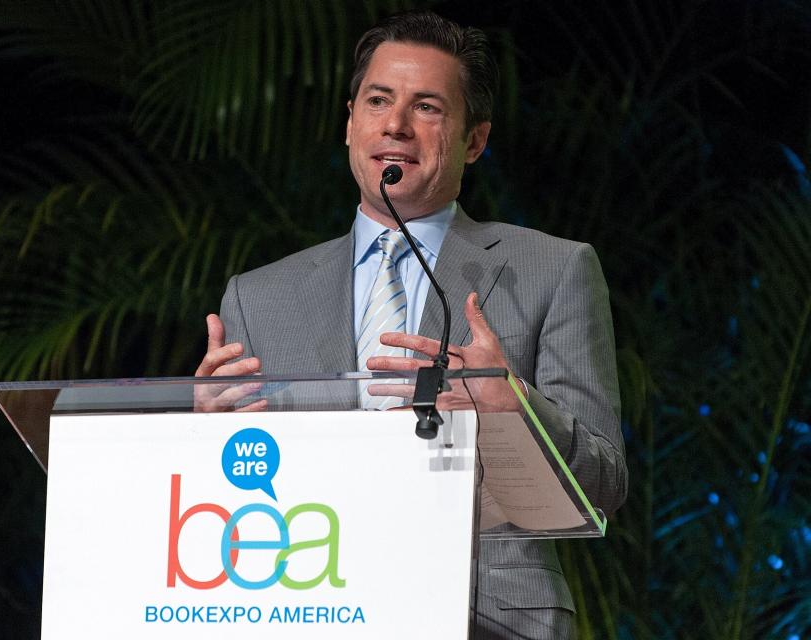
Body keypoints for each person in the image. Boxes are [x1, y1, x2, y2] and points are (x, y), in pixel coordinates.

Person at [195, 10, 627, 639]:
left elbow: (605, 482)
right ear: (349, 123)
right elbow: (237, 494)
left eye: (426, 107)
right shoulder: (260, 296)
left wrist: (514, 408)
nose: (394, 124)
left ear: (474, 141)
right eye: (378, 100)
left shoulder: (553, 269)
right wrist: (199, 441)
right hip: (306, 609)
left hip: (488, 616)